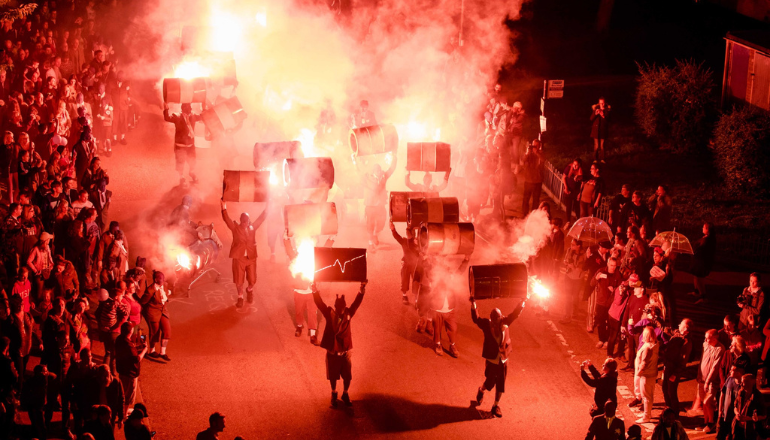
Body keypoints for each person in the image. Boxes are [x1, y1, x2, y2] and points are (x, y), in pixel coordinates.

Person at [312, 281, 367, 407]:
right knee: (333, 377)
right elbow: (319, 304)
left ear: (345, 307)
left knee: (348, 377)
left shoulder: (348, 314)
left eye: (342, 308)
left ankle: (345, 393)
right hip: (332, 353)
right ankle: (334, 393)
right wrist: (314, 290)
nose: (341, 310)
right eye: (339, 308)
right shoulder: (329, 314)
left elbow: (357, 302)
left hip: (345, 353)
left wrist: (362, 288)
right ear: (335, 307)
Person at [470, 296, 525, 418]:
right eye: (494, 321)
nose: (496, 323)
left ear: (501, 318)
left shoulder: (505, 322)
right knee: (490, 382)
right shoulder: (486, 325)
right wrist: (473, 303)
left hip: (503, 359)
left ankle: (495, 405)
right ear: (491, 319)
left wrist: (522, 302)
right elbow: (476, 319)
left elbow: (515, 314)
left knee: (501, 384)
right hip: (491, 360)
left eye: (498, 320)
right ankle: (482, 390)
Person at [220, 199, 268, 308]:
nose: (245, 223)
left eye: (247, 221)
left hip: (251, 258)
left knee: (252, 280)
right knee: (239, 280)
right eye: (243, 221)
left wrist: (268, 206)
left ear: (249, 221)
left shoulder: (253, 227)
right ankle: (240, 297)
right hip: (239, 258)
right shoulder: (235, 228)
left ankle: (249, 290)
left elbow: (262, 218)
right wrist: (223, 207)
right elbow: (226, 219)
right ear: (241, 221)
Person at [689, 329, 725, 433]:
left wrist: (708, 381)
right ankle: (705, 422)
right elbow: (702, 359)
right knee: (703, 402)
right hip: (702, 378)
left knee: (707, 401)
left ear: (715, 338)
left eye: (708, 338)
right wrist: (698, 374)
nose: (706, 339)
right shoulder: (705, 345)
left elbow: (715, 367)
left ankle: (711, 422)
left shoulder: (720, 348)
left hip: (712, 381)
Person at [362, 156, 397, 249]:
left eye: (379, 170)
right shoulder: (367, 177)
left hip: (380, 205)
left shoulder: (384, 176)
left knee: (382, 222)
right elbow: (358, 171)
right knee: (370, 223)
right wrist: (354, 160)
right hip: (370, 205)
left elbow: (392, 168)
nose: (378, 171)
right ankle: (370, 243)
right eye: (376, 170)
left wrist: (395, 156)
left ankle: (375, 234)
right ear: (373, 171)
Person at [163, 102, 202, 185]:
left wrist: (203, 106)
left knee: (192, 160)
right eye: (187, 108)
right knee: (180, 162)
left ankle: (191, 173)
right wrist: (166, 108)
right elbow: (167, 118)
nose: (190, 109)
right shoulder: (177, 116)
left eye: (190, 107)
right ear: (182, 109)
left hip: (190, 145)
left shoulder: (193, 116)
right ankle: (181, 178)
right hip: (180, 145)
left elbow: (203, 116)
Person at [115, 322, 147, 418]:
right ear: (130, 331)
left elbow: (129, 353)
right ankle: (124, 414)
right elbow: (136, 358)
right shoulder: (128, 345)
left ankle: (122, 410)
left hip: (122, 371)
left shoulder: (119, 339)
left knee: (122, 392)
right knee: (128, 394)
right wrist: (145, 349)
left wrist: (136, 347)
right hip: (130, 373)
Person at [662, 318, 693, 415]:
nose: (679, 325)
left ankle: (674, 414)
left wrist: (675, 374)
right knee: (665, 389)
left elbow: (683, 361)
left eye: (681, 324)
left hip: (674, 369)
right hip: (668, 367)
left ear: (685, 329)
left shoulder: (686, 342)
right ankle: (668, 410)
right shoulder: (677, 335)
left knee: (672, 392)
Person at [591, 258, 622, 350]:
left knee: (609, 323)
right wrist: (597, 278)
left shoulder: (617, 274)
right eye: (611, 265)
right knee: (600, 322)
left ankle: (607, 341)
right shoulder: (601, 271)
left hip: (611, 303)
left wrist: (614, 289)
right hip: (600, 302)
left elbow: (620, 287)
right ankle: (601, 339)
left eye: (615, 266)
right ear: (608, 264)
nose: (613, 267)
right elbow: (592, 283)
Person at [140, 271, 171, 361]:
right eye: (161, 278)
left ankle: (162, 352)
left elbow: (165, 295)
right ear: (156, 279)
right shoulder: (150, 290)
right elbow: (143, 302)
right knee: (155, 332)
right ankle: (152, 350)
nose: (163, 280)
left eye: (163, 278)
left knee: (167, 330)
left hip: (163, 311)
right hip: (152, 312)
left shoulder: (165, 285)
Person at [633, 326, 659, 424]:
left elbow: (644, 363)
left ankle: (646, 417)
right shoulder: (655, 344)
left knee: (646, 396)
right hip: (652, 373)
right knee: (649, 395)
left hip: (646, 375)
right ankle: (646, 413)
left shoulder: (647, 347)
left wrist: (638, 374)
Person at [390, 221, 419, 305]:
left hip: (415, 265)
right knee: (404, 280)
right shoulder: (404, 241)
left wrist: (418, 245)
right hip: (406, 264)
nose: (409, 234)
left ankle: (417, 298)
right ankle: (404, 295)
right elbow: (396, 237)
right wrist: (393, 229)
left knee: (416, 282)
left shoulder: (418, 243)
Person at [731, 374, 766, 440]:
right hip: (738, 427)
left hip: (750, 430)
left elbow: (764, 415)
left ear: (751, 383)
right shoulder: (741, 393)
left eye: (744, 382)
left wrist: (749, 418)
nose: (741, 384)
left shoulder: (758, 396)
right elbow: (735, 406)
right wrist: (737, 414)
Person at [689, 222, 716, 304]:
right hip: (698, 261)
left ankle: (703, 296)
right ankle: (696, 291)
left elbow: (701, 250)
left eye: (703, 227)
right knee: (696, 276)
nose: (702, 228)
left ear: (707, 229)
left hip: (702, 262)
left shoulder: (707, 240)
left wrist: (694, 251)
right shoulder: (706, 238)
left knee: (699, 278)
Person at [560, 238, 585, 323]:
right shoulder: (569, 250)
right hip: (568, 276)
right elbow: (565, 260)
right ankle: (567, 316)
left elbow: (581, 269)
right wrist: (566, 263)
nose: (571, 246)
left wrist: (573, 267)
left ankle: (575, 312)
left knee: (575, 297)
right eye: (571, 244)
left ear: (578, 246)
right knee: (567, 296)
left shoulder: (583, 254)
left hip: (578, 278)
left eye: (573, 245)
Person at [718, 365, 745, 440]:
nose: (730, 371)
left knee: (732, 436)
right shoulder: (729, 379)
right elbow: (722, 394)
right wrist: (720, 410)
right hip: (725, 414)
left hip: (735, 417)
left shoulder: (743, 385)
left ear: (739, 372)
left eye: (732, 370)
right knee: (720, 435)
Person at [520, 140, 544, 215]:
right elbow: (522, 162)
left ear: (539, 146)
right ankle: (524, 215)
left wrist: (536, 153)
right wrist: (527, 153)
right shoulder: (528, 153)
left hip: (537, 181)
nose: (534, 147)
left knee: (536, 200)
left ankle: (533, 216)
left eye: (536, 145)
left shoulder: (541, 153)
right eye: (534, 145)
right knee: (526, 199)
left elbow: (543, 160)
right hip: (528, 180)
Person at [561, 158, 583, 224]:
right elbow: (564, 177)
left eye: (576, 165)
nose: (574, 166)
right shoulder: (568, 168)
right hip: (568, 190)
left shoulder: (581, 171)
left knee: (577, 207)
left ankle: (578, 221)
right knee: (568, 206)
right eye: (574, 164)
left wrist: (580, 192)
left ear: (579, 165)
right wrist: (566, 187)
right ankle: (568, 221)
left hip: (576, 191)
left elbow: (582, 183)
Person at [590, 98, 611, 162]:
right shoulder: (596, 109)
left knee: (602, 145)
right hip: (596, 130)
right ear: (599, 103)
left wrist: (603, 115)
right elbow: (591, 119)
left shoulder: (607, 110)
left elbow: (608, 120)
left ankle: (602, 158)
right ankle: (595, 159)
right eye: (601, 103)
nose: (602, 104)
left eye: (603, 103)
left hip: (603, 130)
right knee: (596, 145)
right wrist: (595, 114)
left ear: (605, 103)